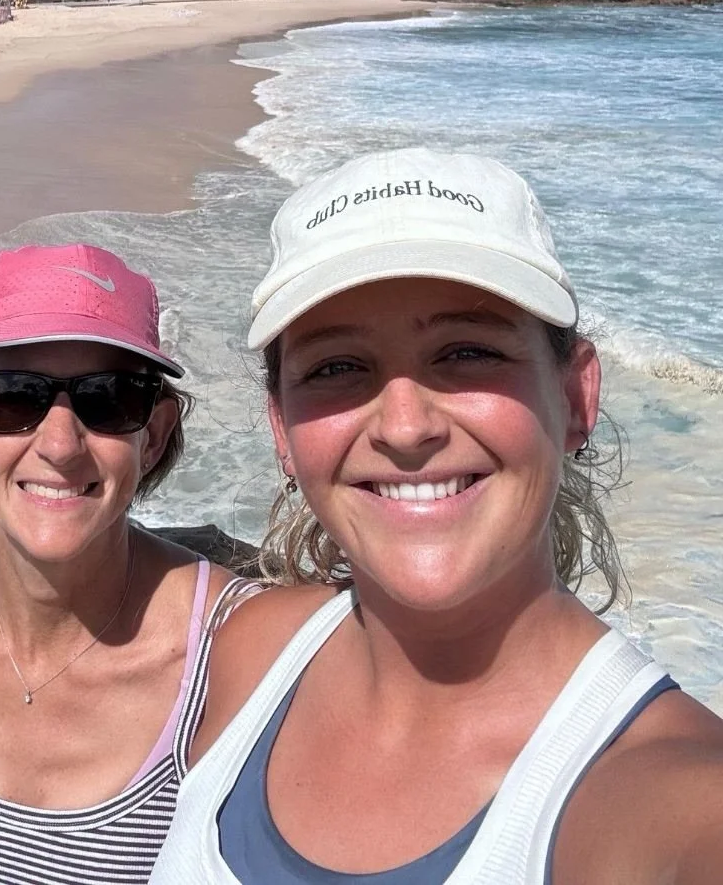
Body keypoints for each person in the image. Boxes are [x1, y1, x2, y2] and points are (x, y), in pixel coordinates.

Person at [151, 148, 723, 884]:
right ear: (281, 428)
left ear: (577, 396)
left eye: (467, 352)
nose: (405, 427)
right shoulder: (252, 652)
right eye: (336, 367)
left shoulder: (675, 803)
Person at [0, 243, 253, 885]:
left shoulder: (234, 650)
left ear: (153, 436)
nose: (60, 444)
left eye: (108, 399)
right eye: (13, 398)